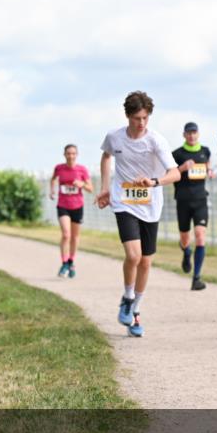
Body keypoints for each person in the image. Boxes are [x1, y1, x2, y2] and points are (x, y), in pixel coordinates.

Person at [95, 91, 180, 337]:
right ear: (128, 116)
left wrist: (154, 182)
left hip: (150, 204)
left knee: (146, 261)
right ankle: (127, 297)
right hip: (123, 201)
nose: (141, 123)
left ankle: (135, 311)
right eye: (136, 118)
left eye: (145, 118)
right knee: (133, 255)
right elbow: (106, 156)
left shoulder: (156, 141)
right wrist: (104, 188)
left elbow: (175, 173)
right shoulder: (114, 137)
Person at [171, 121, 213, 290]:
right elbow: (169, 174)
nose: (191, 135)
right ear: (184, 135)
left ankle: (196, 278)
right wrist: (182, 168)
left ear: (198, 134)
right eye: (188, 133)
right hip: (182, 200)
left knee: (200, 236)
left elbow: (208, 166)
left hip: (200, 200)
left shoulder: (205, 151)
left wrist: (210, 171)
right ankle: (187, 252)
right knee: (185, 239)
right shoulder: (176, 154)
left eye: (194, 132)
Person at [50, 144, 93, 278]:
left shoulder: (82, 170)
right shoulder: (59, 168)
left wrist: (82, 184)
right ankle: (64, 263)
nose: (71, 156)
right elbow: (53, 179)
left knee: (74, 237)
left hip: (77, 206)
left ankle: (71, 261)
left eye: (73, 153)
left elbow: (90, 188)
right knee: (66, 235)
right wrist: (52, 190)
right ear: (64, 154)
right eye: (68, 153)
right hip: (63, 205)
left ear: (77, 155)